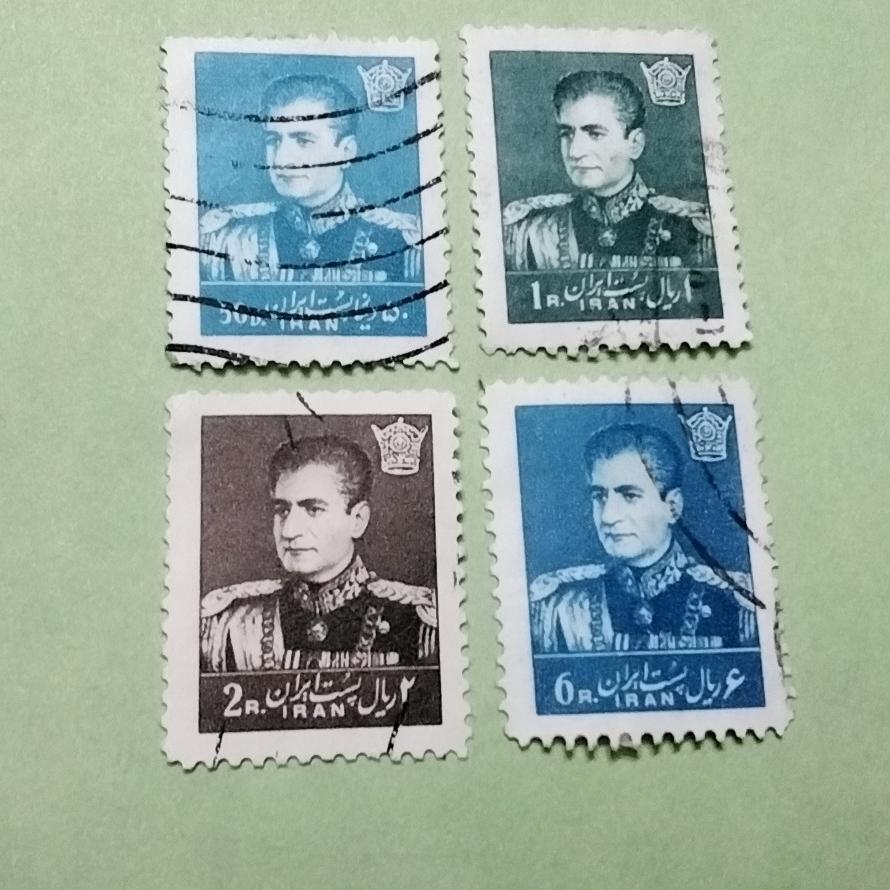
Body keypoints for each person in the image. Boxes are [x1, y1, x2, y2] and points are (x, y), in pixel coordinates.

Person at [201, 435, 437, 672]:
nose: (289, 530)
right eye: (282, 510)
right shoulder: (233, 623)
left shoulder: (416, 622)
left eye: (313, 509)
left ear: (357, 520)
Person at [530, 423, 756, 652]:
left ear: (672, 507)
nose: (608, 516)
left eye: (629, 496)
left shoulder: (735, 602)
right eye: (599, 496)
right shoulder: (561, 606)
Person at [200, 74, 421, 283]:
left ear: (346, 152)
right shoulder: (228, 241)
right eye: (273, 140)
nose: (281, 159)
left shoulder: (401, 241)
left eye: (303, 141)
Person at [503, 70, 714, 272]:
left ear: (635, 144)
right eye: (566, 134)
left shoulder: (693, 230)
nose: (574, 152)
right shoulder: (530, 232)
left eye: (595, 134)